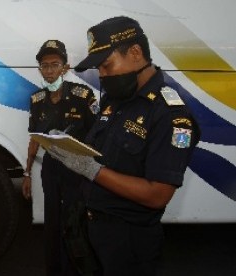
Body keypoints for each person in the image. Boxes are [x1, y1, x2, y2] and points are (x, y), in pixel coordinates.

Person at [47, 16, 201, 276]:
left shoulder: (170, 116)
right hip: (88, 227)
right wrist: (68, 144)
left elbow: (158, 194)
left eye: (107, 66)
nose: (102, 75)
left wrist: (92, 170)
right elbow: (102, 151)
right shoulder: (115, 100)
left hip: (127, 243)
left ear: (135, 53)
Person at [22, 39, 98, 275]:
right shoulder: (36, 100)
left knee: (75, 221)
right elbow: (34, 138)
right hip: (51, 168)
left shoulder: (83, 95)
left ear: (65, 67)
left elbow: (97, 134)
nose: (50, 70)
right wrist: (27, 173)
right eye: (45, 65)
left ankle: (77, 269)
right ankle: (54, 269)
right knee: (52, 222)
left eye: (55, 64)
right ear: (40, 70)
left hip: (76, 169)